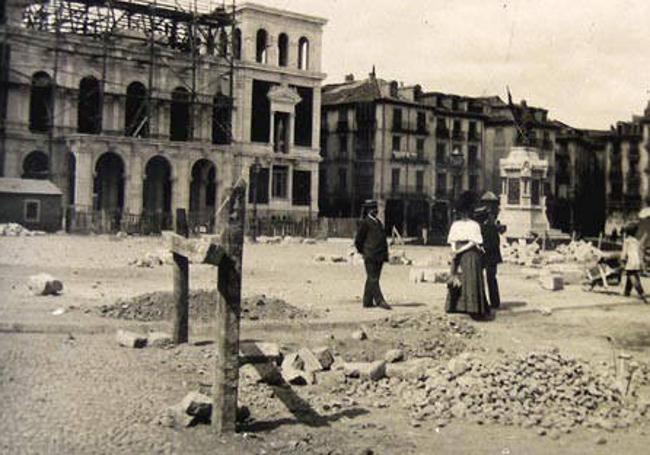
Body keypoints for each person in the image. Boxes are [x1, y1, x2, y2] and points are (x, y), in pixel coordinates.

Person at [446, 192, 490, 319]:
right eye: (463, 212)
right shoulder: (466, 225)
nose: (464, 214)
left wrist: (456, 251)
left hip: (467, 253)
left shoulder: (467, 225)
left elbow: (472, 242)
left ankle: (468, 308)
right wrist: (455, 251)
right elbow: (458, 241)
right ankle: (465, 306)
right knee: (460, 279)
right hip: (466, 253)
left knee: (466, 280)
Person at [355, 200, 391, 310]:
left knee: (372, 278)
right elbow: (358, 240)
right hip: (370, 255)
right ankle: (380, 300)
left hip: (379, 255)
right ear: (369, 210)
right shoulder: (365, 222)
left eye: (376, 208)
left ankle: (367, 301)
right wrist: (364, 251)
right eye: (373, 208)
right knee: (373, 278)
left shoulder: (378, 222)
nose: (375, 210)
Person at [476, 199, 505, 310]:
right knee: (491, 279)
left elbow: (491, 243)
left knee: (486, 279)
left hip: (488, 256)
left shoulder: (485, 228)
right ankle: (494, 302)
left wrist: (482, 248)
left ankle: (486, 301)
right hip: (491, 257)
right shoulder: (491, 228)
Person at [621, 223, 648, 303]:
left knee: (632, 277)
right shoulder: (636, 241)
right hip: (636, 260)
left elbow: (624, 252)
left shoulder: (627, 241)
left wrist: (622, 259)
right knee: (632, 275)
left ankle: (641, 293)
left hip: (631, 260)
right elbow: (639, 251)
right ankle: (627, 292)